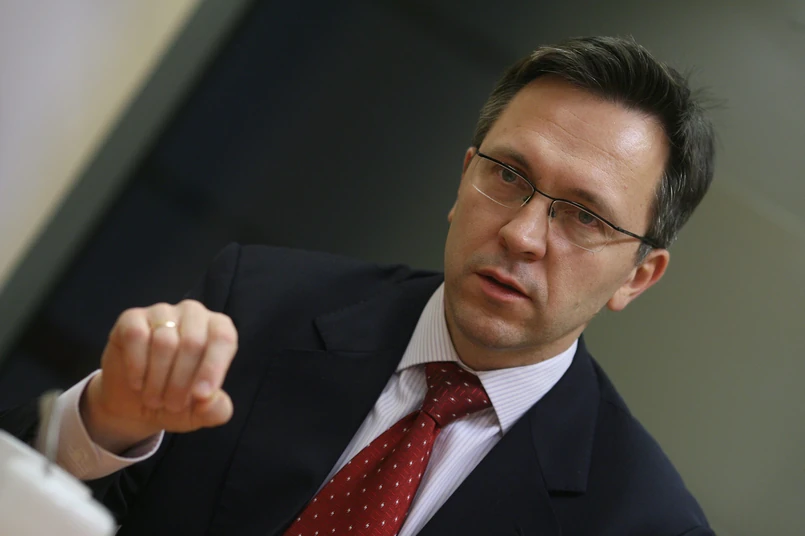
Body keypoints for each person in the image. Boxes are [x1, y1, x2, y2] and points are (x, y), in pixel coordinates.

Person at [0, 36, 716, 535]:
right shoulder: (259, 306)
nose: (523, 234)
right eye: (506, 175)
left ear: (637, 276)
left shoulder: (643, 520)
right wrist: (107, 424)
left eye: (584, 216)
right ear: (463, 176)